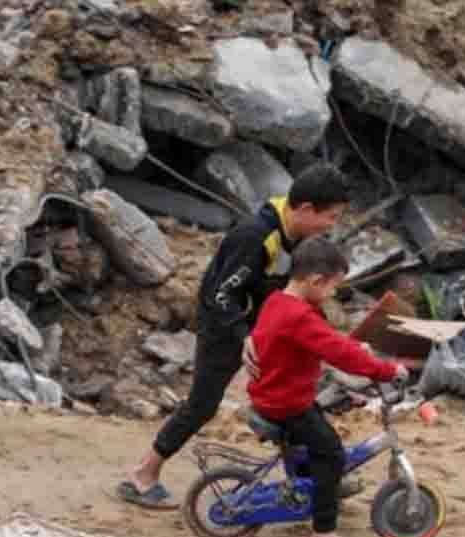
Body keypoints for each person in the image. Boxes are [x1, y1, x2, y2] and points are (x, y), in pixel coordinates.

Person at [116, 163, 361, 509]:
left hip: (263, 324)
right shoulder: (255, 236)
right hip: (226, 324)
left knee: (292, 395)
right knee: (203, 404)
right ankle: (143, 474)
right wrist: (243, 335)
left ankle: (308, 478)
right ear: (305, 210)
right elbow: (219, 294)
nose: (331, 226)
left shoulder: (294, 236)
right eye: (331, 217)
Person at [246, 236, 407, 537]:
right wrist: (387, 370)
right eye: (333, 288)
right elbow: (337, 352)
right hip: (285, 403)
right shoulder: (299, 317)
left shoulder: (278, 301)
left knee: (322, 422)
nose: (334, 294)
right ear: (315, 281)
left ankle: (316, 488)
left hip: (276, 394)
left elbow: (326, 342)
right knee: (331, 451)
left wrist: (354, 352)